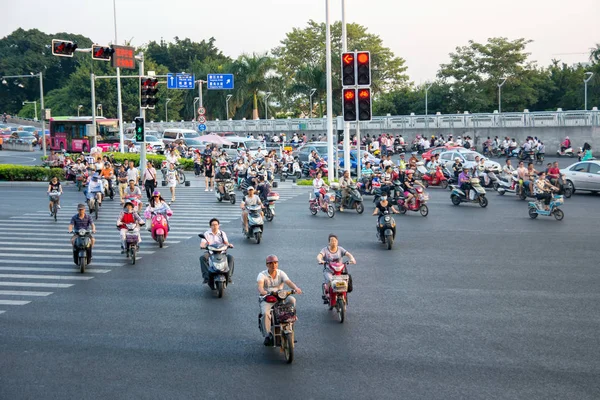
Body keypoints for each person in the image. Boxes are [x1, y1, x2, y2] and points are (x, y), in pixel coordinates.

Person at [257, 254, 303, 346]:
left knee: (292, 300)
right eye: (270, 263)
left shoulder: (281, 273)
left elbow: (288, 282)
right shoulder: (262, 275)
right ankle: (268, 334)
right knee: (266, 313)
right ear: (267, 265)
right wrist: (263, 291)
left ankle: (291, 317)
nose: (273, 265)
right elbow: (260, 286)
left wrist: (296, 288)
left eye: (275, 263)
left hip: (280, 296)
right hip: (268, 298)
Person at [316, 234, 356, 303]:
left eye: (335, 241)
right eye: (332, 241)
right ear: (329, 242)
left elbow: (348, 254)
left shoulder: (340, 249)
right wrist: (321, 260)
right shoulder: (325, 250)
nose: (333, 242)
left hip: (340, 270)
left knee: (347, 280)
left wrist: (352, 259)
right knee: (330, 280)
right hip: (329, 270)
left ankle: (344, 294)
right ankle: (327, 292)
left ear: (337, 242)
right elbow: (319, 256)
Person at [200, 218, 235, 283]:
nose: (215, 226)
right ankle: (206, 277)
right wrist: (202, 245)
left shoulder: (222, 233)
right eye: (213, 225)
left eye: (216, 224)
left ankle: (229, 276)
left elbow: (226, 242)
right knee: (203, 258)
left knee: (231, 258)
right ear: (210, 226)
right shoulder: (207, 233)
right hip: (211, 253)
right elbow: (203, 242)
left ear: (218, 225)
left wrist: (229, 245)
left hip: (222, 252)